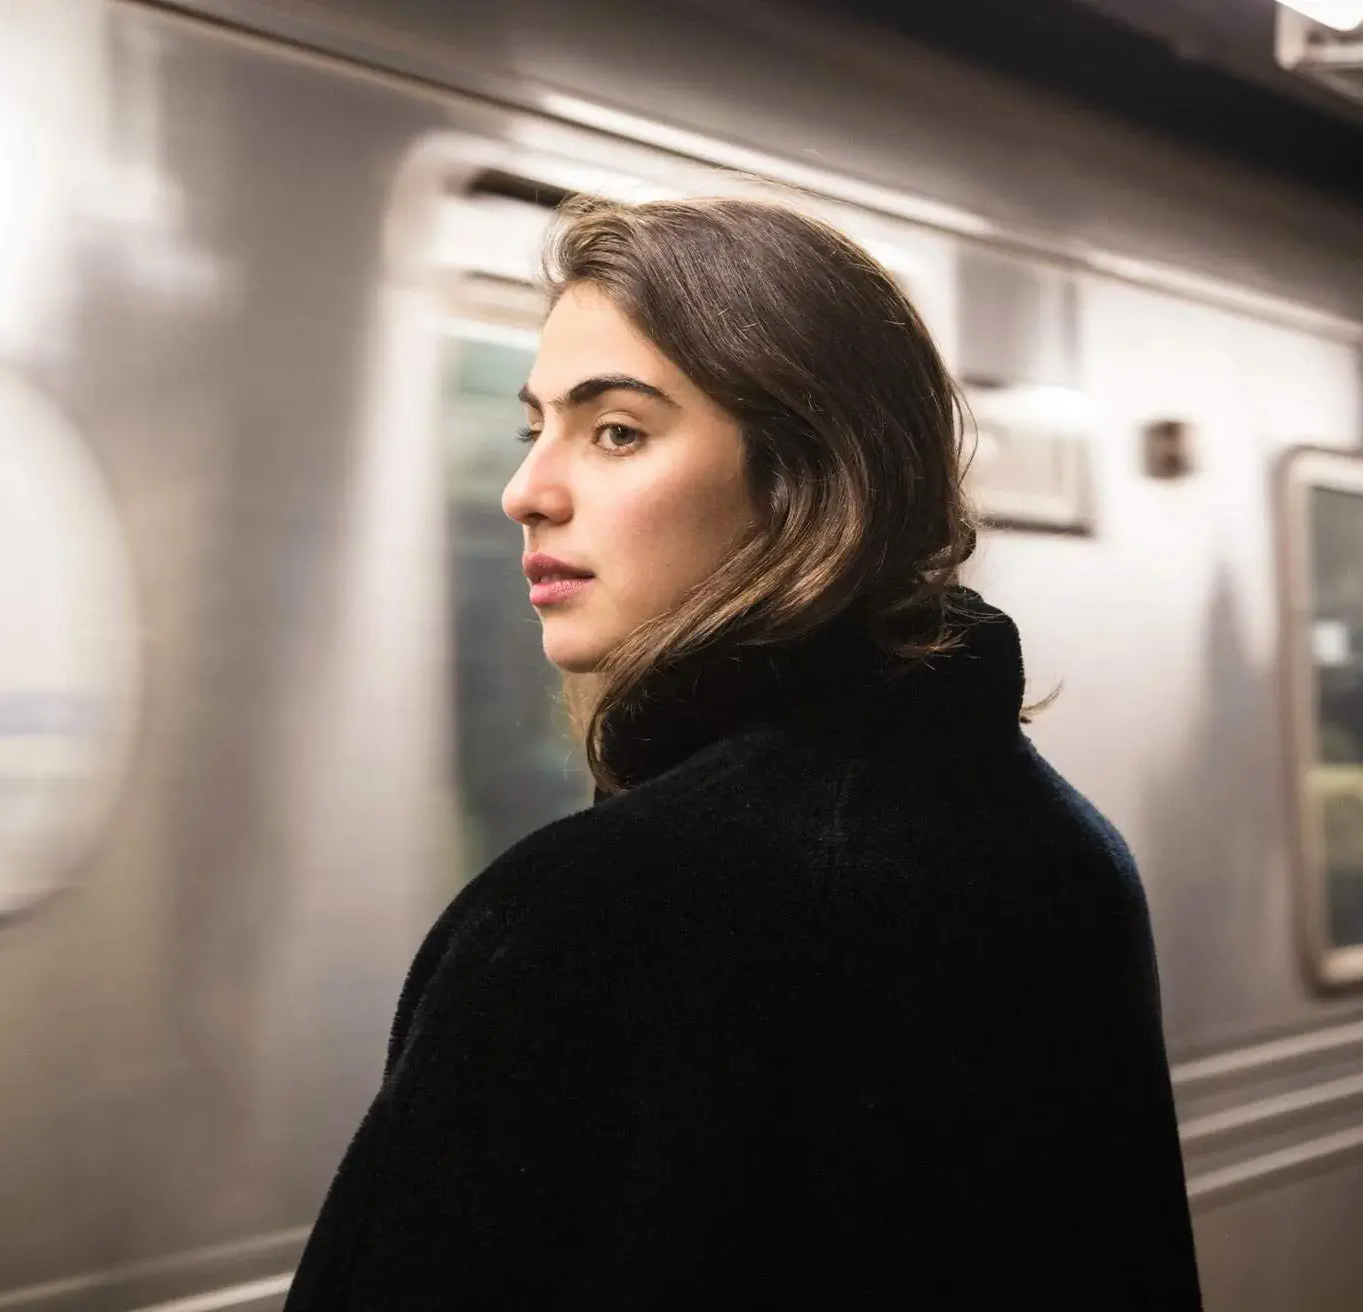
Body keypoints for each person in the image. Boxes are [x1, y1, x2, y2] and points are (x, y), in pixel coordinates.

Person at [286, 195, 1202, 1309]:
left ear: (803, 484)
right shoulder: (1062, 849)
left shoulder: (592, 919)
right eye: (539, 428)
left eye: (616, 430)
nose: (526, 490)